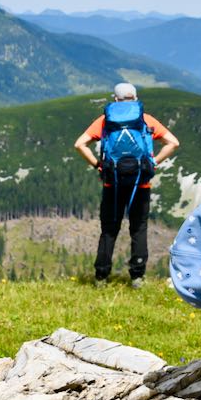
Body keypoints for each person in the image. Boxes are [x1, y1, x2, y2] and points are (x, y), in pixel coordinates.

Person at [74, 83, 179, 288]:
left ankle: (101, 277)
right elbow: (173, 142)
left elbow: (79, 144)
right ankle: (137, 277)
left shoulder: (105, 120)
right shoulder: (145, 119)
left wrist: (98, 165)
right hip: (140, 184)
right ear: (135, 97)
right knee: (138, 229)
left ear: (116, 99)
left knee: (109, 230)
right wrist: (154, 162)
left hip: (112, 183)